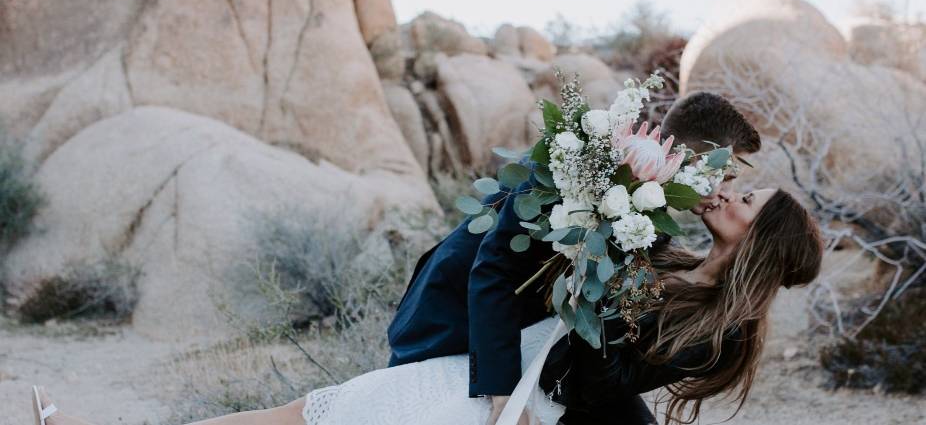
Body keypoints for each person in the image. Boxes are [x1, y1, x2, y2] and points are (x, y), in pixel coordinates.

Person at [29, 183, 824, 425]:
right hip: (485, 381)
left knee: (313, 417)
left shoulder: (723, 338)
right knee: (309, 413)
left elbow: (611, 385)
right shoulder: (669, 253)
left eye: (749, 197)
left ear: (764, 235)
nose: (730, 187)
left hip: (513, 407)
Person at [386, 91, 762, 425]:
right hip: (453, 312)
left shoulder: (655, 221)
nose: (725, 193)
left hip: (532, 340)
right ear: (697, 157)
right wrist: (504, 393)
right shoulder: (578, 161)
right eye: (725, 177)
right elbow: (495, 271)